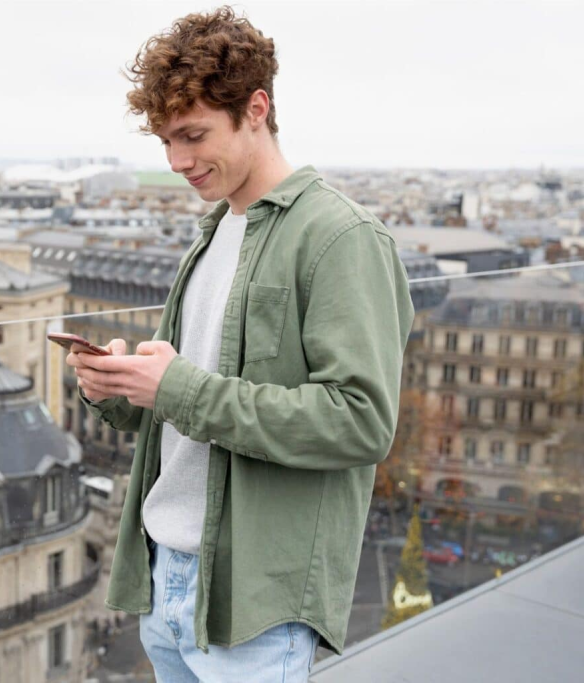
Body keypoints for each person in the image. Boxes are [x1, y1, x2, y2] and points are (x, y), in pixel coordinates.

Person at [66, 5, 414, 682]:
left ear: (256, 108)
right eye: (166, 141)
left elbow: (362, 421)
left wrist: (176, 387)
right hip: (167, 579)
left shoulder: (340, 238)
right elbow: (187, 406)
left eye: (193, 135)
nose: (177, 162)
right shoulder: (214, 233)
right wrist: (118, 390)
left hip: (251, 600)